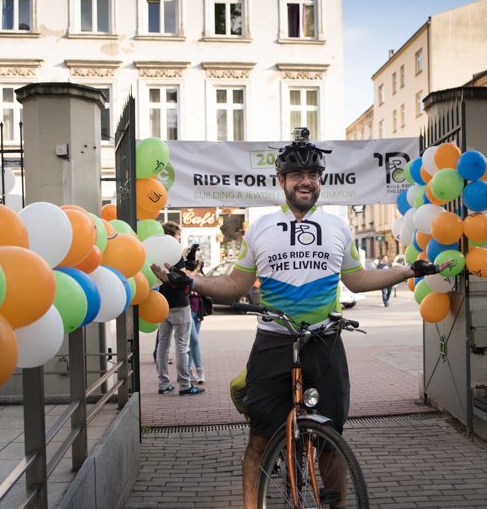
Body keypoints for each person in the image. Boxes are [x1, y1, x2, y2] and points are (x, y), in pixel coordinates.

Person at [153, 128, 444, 508]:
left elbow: (356, 280)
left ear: (321, 180)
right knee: (260, 440)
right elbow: (235, 283)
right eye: (297, 175)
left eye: (313, 175)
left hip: (324, 342)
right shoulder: (261, 228)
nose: (306, 182)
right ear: (282, 181)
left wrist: (408, 271)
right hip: (274, 342)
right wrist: (191, 281)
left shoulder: (338, 227)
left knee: (331, 439)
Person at [154, 223, 204, 396]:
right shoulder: (175, 253)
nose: (179, 239)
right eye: (178, 235)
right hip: (180, 305)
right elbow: (183, 279)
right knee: (182, 345)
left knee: (163, 345)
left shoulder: (154, 252)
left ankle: (163, 383)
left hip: (162, 304)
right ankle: (184, 384)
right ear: (171, 236)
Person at [185, 247, 206, 385]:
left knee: (193, 341)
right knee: (194, 340)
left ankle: (188, 370)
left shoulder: (200, 275)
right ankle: (199, 370)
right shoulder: (186, 272)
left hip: (198, 311)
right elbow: (188, 278)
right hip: (187, 310)